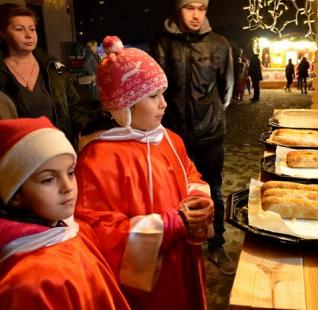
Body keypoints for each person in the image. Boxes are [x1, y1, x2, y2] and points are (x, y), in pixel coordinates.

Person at [75, 36, 214, 310]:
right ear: (123, 108)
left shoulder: (170, 140)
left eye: (162, 93)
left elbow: (191, 176)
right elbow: (96, 231)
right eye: (153, 96)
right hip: (144, 283)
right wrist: (169, 225)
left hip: (182, 258)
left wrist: (198, 201)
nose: (164, 103)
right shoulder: (98, 159)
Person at [0, 116, 130, 309]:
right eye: (48, 180)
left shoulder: (69, 231)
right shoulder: (28, 281)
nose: (67, 187)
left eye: (70, 173)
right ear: (16, 194)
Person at [150, 0, 236, 276]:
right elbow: (156, 89)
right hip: (172, 136)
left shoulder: (220, 44)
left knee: (213, 189)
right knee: (172, 190)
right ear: (178, 9)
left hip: (210, 134)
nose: (197, 14)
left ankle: (216, 243)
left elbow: (226, 92)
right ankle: (180, 243)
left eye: (202, 8)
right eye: (190, 7)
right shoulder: (162, 43)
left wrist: (209, 117)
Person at [0, 3, 96, 149]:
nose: (29, 35)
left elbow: (76, 109)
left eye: (32, 29)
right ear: (3, 33)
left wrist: (100, 125)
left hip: (61, 150)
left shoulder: (55, 69)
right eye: (19, 29)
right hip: (21, 157)